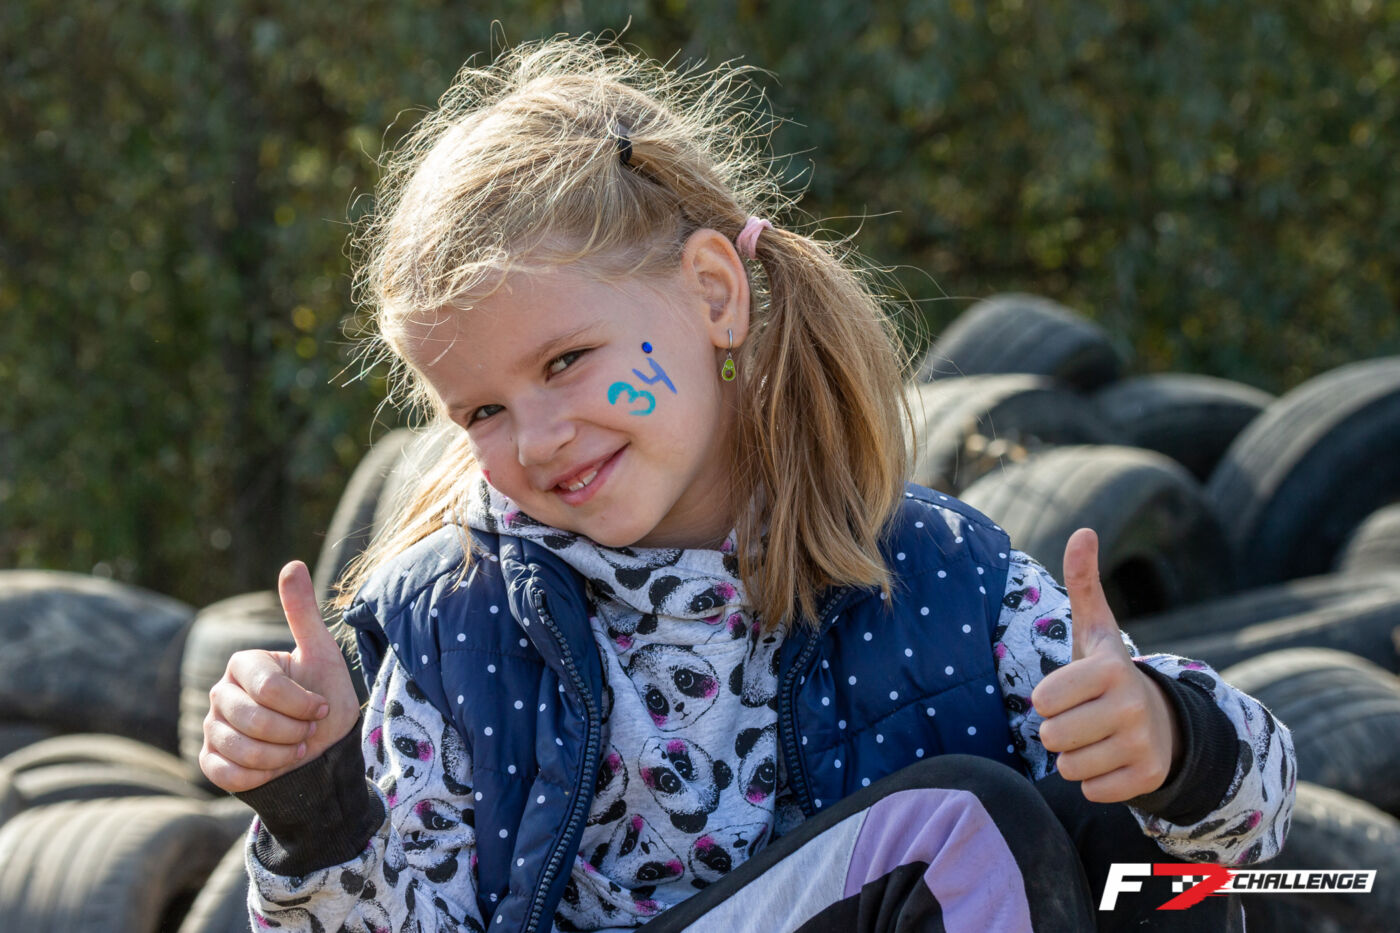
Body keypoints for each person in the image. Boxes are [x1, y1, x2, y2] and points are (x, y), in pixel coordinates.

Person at [199, 36, 1294, 933]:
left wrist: (1170, 741)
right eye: (481, 411)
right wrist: (314, 808)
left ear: (715, 294)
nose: (535, 438)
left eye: (565, 361)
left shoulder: (934, 573)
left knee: (1135, 851)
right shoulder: (457, 633)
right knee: (962, 828)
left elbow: (1247, 844)